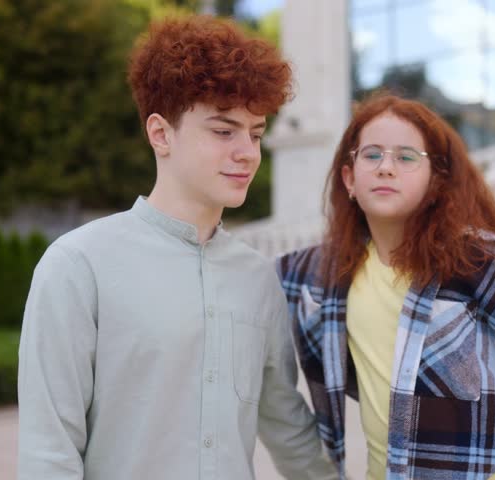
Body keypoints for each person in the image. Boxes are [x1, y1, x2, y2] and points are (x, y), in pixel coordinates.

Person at [18, 14, 338, 480]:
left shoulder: (258, 277)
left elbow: (289, 430)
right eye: (224, 131)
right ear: (160, 134)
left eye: (255, 133)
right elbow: (49, 453)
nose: (248, 152)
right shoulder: (77, 265)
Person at [277, 93, 495, 480]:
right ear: (349, 178)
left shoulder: (474, 261)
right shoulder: (321, 273)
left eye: (406, 157)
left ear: (434, 183)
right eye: (372, 155)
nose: (386, 168)